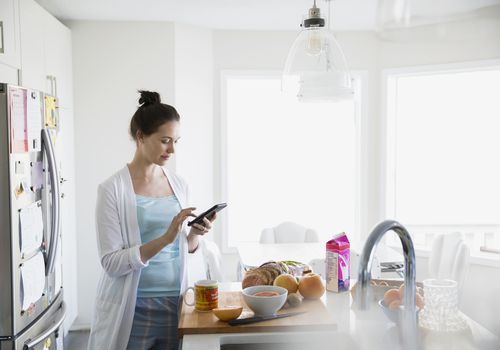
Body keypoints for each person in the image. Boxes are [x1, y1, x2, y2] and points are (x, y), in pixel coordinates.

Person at [87, 90, 215, 350]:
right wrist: (165, 239)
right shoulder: (112, 189)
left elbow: (182, 249)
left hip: (177, 303)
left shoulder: (179, 184)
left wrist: (194, 237)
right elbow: (111, 263)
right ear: (140, 136)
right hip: (134, 307)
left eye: (177, 141)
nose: (172, 150)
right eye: (165, 140)